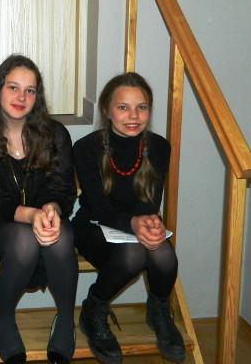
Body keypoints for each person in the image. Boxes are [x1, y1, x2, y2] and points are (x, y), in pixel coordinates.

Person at [0, 55, 78, 364]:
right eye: (13, 87)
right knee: (24, 239)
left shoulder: (56, 134)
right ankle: (5, 318)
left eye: (30, 90)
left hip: (46, 217)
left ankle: (66, 319)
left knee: (62, 237)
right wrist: (32, 215)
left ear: (37, 96)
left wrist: (51, 210)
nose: (21, 97)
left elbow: (64, 190)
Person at [72, 72, 184, 363]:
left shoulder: (159, 147)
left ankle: (159, 311)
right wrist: (134, 223)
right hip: (94, 224)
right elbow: (99, 207)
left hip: (136, 221)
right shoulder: (85, 148)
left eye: (141, 107)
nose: (133, 116)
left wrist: (150, 223)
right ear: (107, 110)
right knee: (133, 255)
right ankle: (94, 310)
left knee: (164, 254)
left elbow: (150, 202)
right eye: (123, 107)